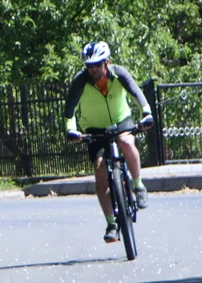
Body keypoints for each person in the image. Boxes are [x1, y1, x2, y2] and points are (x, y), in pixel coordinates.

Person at [64, 41, 155, 243]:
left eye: (97, 64)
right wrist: (71, 129)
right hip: (94, 128)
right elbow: (69, 109)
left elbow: (137, 93)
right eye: (89, 65)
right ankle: (111, 223)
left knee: (126, 142)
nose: (93, 69)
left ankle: (138, 186)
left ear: (107, 61)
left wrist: (147, 113)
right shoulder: (81, 81)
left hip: (121, 120)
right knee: (99, 169)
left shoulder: (119, 73)